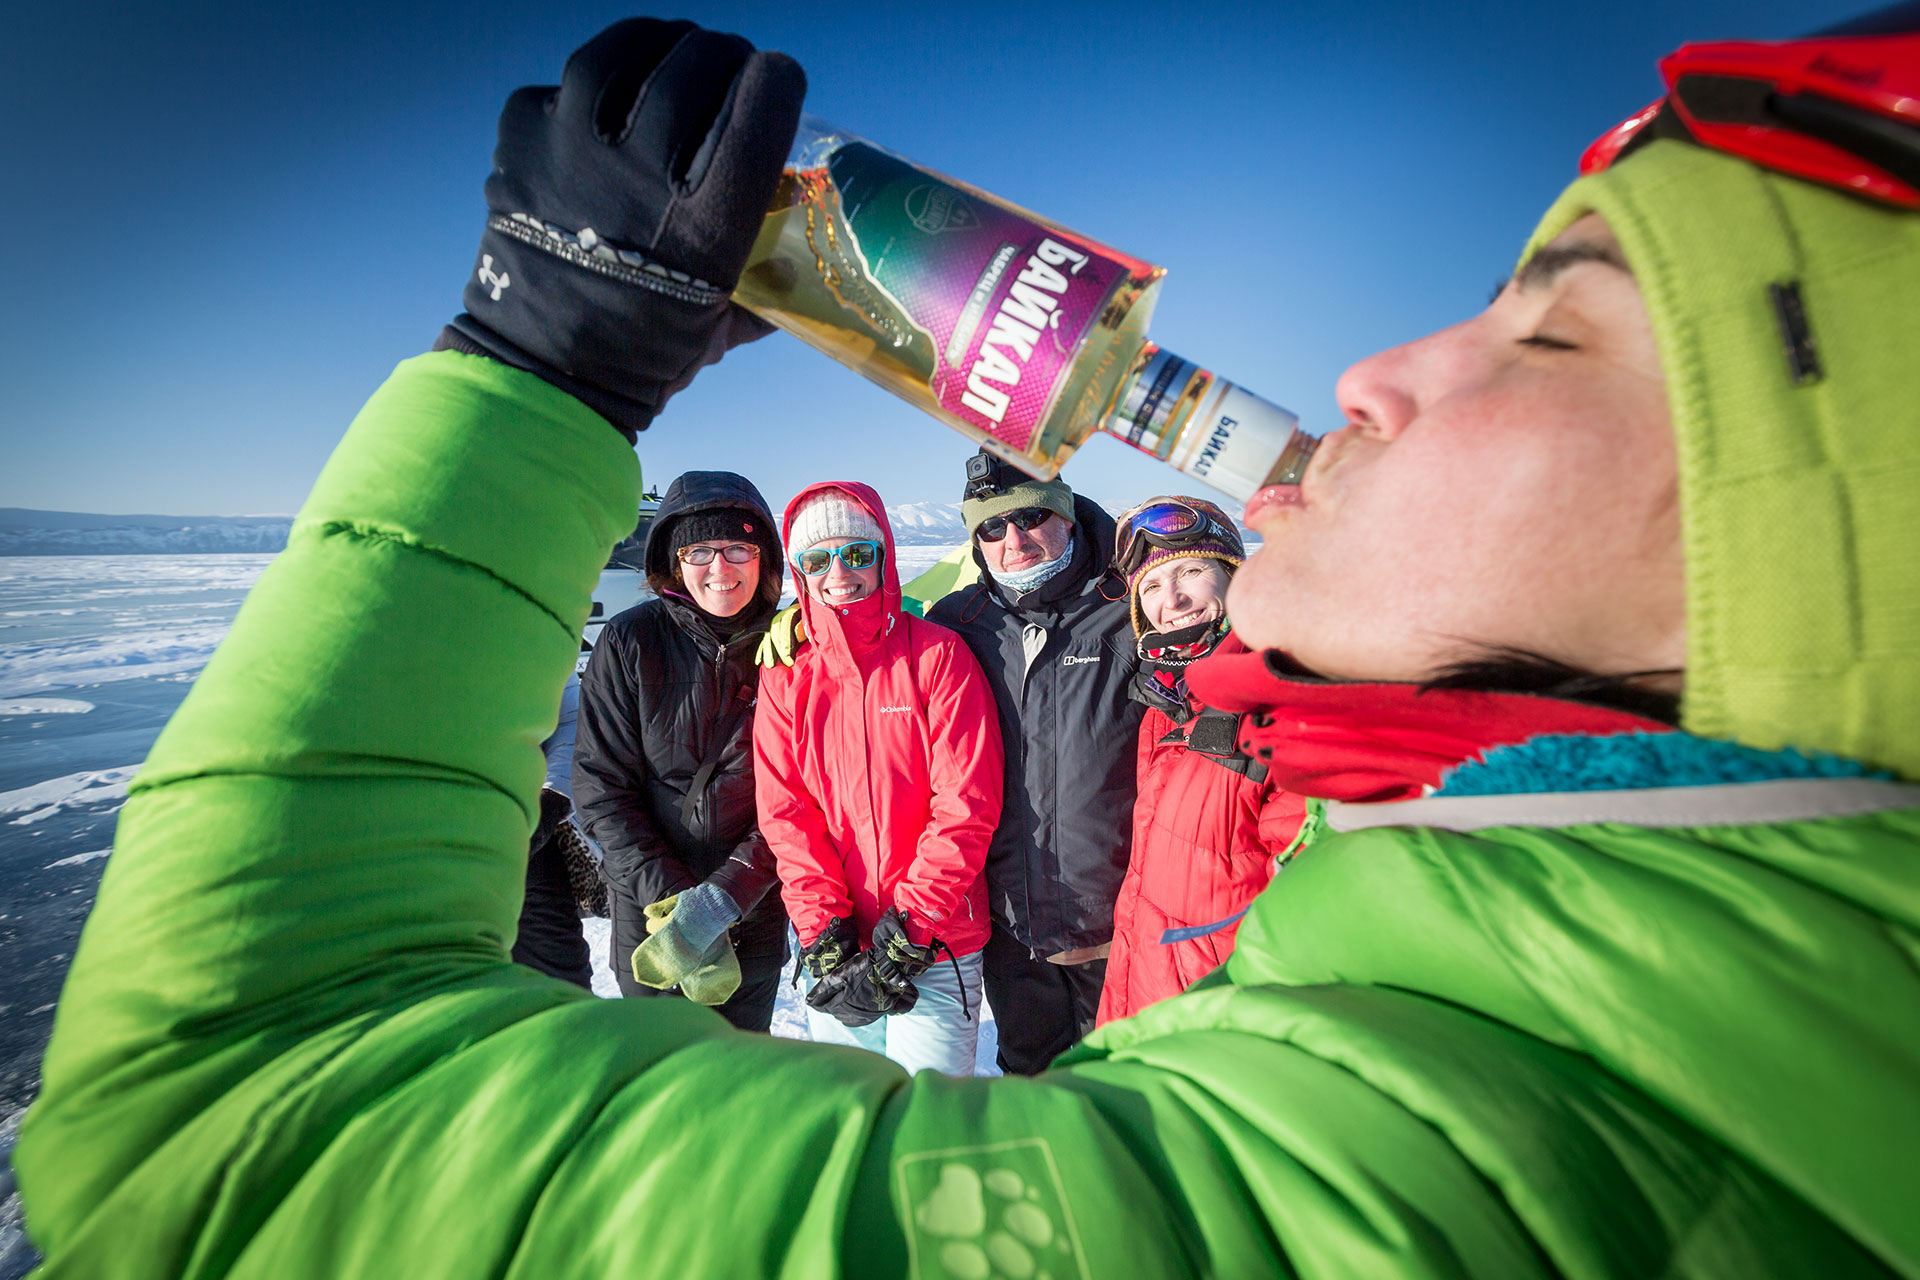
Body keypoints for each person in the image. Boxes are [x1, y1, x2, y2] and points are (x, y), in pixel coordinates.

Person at [18, 15, 1918, 1278]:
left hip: (966, 946)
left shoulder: (1396, 1187)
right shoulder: (1489, 965)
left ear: (1821, 584)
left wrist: (537, 371)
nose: (1377, 369)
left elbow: (230, 1133)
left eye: (1550, 336)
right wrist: (748, 893)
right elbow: (718, 782)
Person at [754, 484, 1002, 1076]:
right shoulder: (788, 674)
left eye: (857, 555)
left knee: (930, 1118)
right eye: (818, 560)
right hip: (836, 944)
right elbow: (786, 813)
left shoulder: (937, 656)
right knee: (853, 1113)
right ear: (799, 571)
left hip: (936, 940)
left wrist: (911, 927)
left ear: (884, 555)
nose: (839, 573)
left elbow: (966, 803)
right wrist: (823, 930)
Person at [924, 452, 1144, 1074]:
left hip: (1117, 920)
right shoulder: (958, 624)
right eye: (992, 528)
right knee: (1029, 1082)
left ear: (1067, 517)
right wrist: (807, 628)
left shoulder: (1129, 608)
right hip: (1012, 926)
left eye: (1032, 518)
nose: (1014, 541)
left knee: (1127, 1089)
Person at [571, 470, 789, 1029]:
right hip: (650, 918)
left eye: (737, 547)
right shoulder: (628, 643)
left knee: (743, 1083)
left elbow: (805, 795)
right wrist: (676, 907)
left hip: (752, 913)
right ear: (673, 562)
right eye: (699, 551)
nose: (720, 569)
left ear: (763, 556)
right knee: (662, 1083)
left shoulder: (794, 648)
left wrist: (725, 897)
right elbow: (601, 790)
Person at [1095, 498, 1306, 1027]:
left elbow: (1312, 900)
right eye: (1151, 586)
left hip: (1228, 1020)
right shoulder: (1164, 712)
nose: (1174, 598)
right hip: (1149, 1000)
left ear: (1235, 579)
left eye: (1191, 571)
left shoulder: (1282, 702)